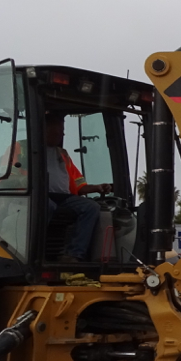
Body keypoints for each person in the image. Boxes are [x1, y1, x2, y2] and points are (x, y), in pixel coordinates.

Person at [44, 112, 112, 262]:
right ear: (43, 128)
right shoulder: (22, 148)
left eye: (62, 131)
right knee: (45, 206)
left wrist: (98, 187)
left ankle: (74, 254)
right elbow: (13, 179)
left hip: (64, 197)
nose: (59, 134)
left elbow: (79, 185)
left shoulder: (62, 154)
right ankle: (36, 252)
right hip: (37, 195)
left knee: (91, 207)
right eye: (56, 130)